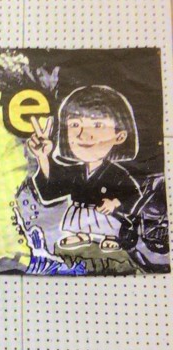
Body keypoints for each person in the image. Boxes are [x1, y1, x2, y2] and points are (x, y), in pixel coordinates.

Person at [29, 85, 141, 252]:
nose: (83, 135)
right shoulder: (76, 172)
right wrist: (43, 157)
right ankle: (82, 235)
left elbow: (133, 194)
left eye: (98, 125)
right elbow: (51, 190)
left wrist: (114, 203)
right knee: (78, 222)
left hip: (106, 216)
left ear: (119, 136)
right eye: (75, 124)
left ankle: (112, 236)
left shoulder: (117, 173)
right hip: (80, 214)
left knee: (110, 225)